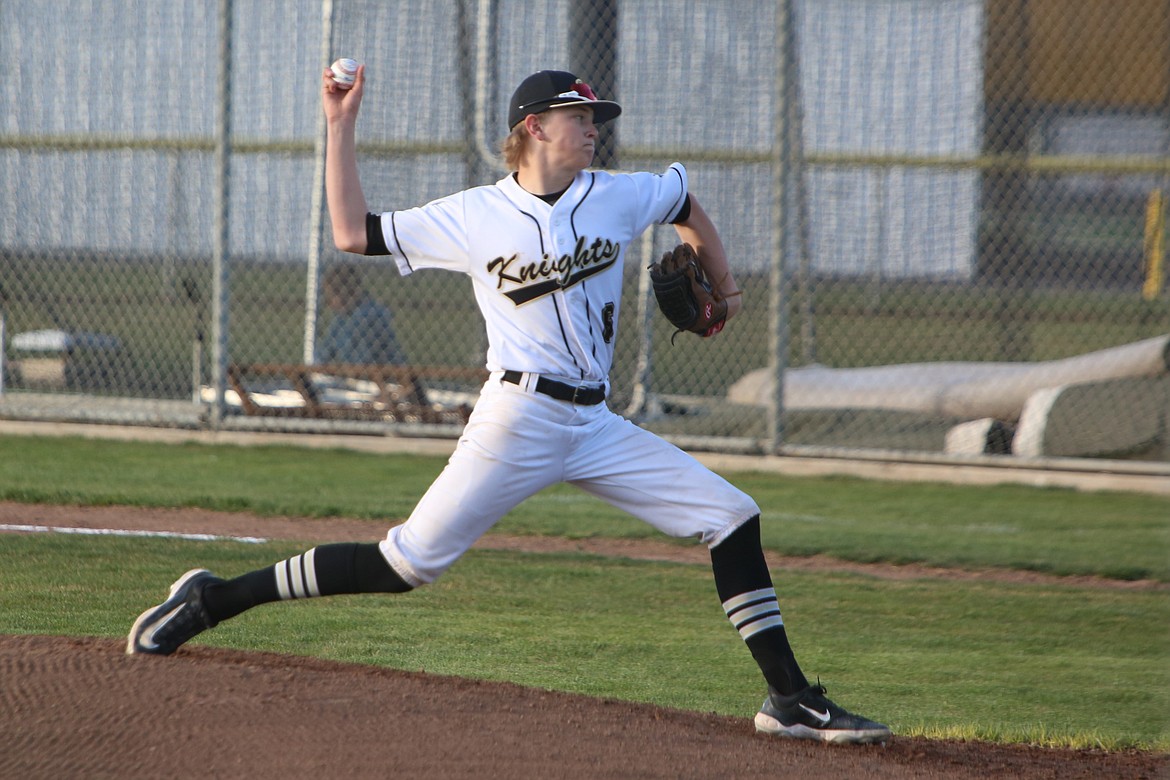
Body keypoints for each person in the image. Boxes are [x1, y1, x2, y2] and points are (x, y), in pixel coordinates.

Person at [127, 66, 891, 745]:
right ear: (534, 128)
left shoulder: (616, 195)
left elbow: (687, 200)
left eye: (596, 119)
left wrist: (723, 294)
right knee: (404, 565)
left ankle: (789, 699)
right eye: (580, 117)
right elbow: (352, 232)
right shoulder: (474, 215)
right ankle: (214, 596)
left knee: (732, 515)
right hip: (516, 418)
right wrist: (340, 125)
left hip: (595, 424)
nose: (594, 129)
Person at [316, 262, 405, 366]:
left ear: (347, 292)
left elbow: (363, 361)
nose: (329, 303)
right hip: (352, 375)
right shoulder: (341, 318)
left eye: (330, 297)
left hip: (382, 376)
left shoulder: (370, 315)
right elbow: (326, 352)